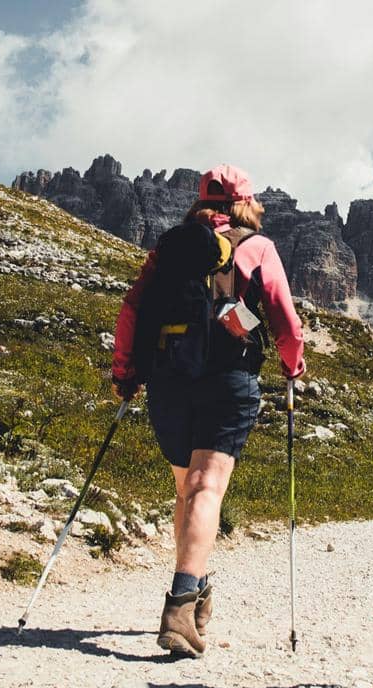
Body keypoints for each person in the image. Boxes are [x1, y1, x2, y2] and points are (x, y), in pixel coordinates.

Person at [111, 164, 306, 658]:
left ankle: (196, 590)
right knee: (207, 487)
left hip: (169, 381)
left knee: (187, 488)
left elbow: (132, 310)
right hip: (227, 377)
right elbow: (283, 317)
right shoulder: (256, 247)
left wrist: (125, 374)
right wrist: (293, 366)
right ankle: (180, 603)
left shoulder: (169, 249)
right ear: (245, 203)